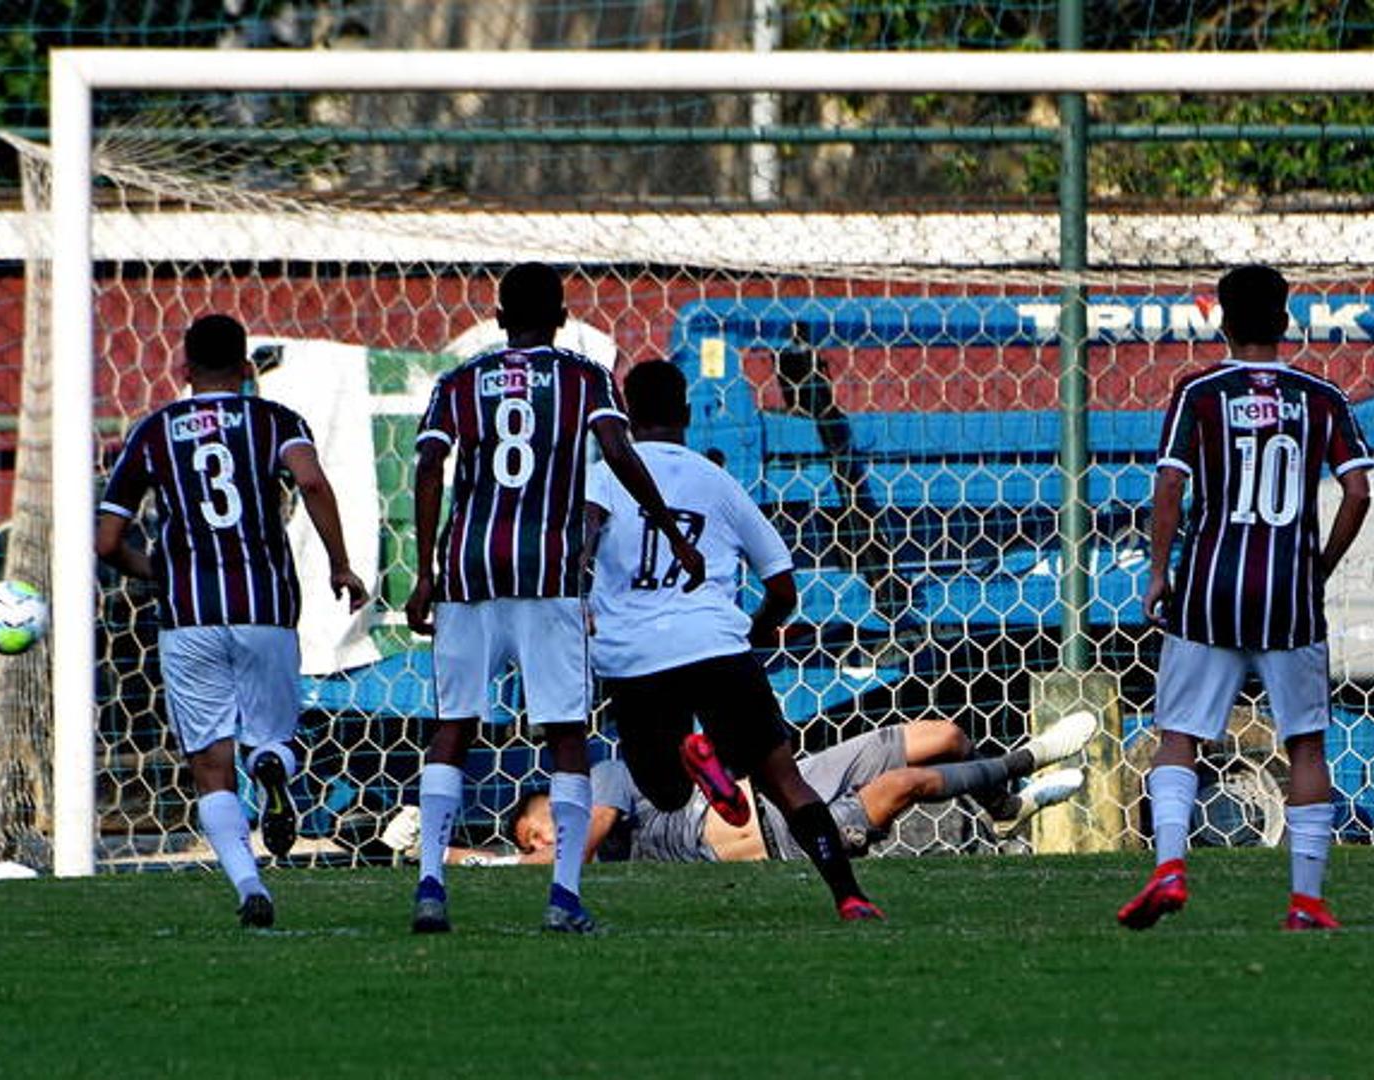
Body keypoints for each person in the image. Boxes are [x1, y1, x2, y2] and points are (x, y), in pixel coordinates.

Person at [581, 360, 1093, 920]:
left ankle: (701, 762)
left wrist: (584, 610)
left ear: (625, 414)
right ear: (684, 415)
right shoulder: (716, 480)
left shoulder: (601, 480)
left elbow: (574, 552)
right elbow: (781, 584)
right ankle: (849, 896)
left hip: (635, 661)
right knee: (788, 783)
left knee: (668, 794)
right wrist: (752, 633)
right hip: (717, 648)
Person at [404, 262, 704, 935]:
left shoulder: (460, 382)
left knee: (454, 726)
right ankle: (563, 896)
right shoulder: (583, 379)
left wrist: (424, 571)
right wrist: (668, 529)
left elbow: (428, 466)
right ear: (564, 316)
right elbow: (618, 452)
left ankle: (430, 884)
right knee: (567, 734)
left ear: (500, 316)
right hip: (547, 575)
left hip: (468, 571)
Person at [1118, 265, 1374, 933]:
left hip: (1209, 586)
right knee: (1306, 744)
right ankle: (1306, 900)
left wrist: (1157, 573)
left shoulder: (1200, 391)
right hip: (1289, 596)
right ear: (1287, 321)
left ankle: (1170, 866)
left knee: (1179, 736)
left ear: (1222, 322)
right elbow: (1359, 491)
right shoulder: (1321, 395)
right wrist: (1316, 567)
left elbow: (1169, 486)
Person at [96, 313, 367, 929]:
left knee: (210, 764)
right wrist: (341, 565)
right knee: (274, 738)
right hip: (265, 607)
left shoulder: (153, 431)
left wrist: (156, 571)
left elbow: (108, 541)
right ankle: (272, 761)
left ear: (183, 370)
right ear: (247, 369)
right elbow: (313, 482)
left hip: (188, 616)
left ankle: (250, 885)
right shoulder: (275, 421)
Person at [497, 717, 1094, 867]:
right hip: (785, 836)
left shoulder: (604, 782)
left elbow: (573, 848)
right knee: (905, 786)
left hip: (790, 778)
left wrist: (460, 858)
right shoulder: (622, 866)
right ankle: (1030, 756)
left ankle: (1007, 811)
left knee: (946, 736)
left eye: (534, 830)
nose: (538, 844)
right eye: (530, 846)